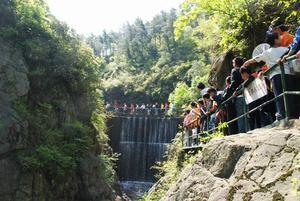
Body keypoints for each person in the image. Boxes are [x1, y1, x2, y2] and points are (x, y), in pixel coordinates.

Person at [242, 32, 293, 121]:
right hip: (288, 75)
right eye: (279, 37)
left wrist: (247, 62)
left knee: (279, 96)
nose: (281, 38)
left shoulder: (267, 52)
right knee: (289, 95)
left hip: (275, 76)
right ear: (275, 40)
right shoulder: (285, 50)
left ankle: (282, 116)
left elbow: (256, 58)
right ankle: (292, 114)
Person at [229, 57, 247, 133]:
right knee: (248, 113)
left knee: (240, 115)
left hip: (239, 94)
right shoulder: (245, 69)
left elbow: (234, 83)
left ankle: (242, 132)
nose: (232, 64)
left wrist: (230, 90)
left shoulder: (234, 70)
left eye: (233, 63)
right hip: (248, 93)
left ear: (235, 63)